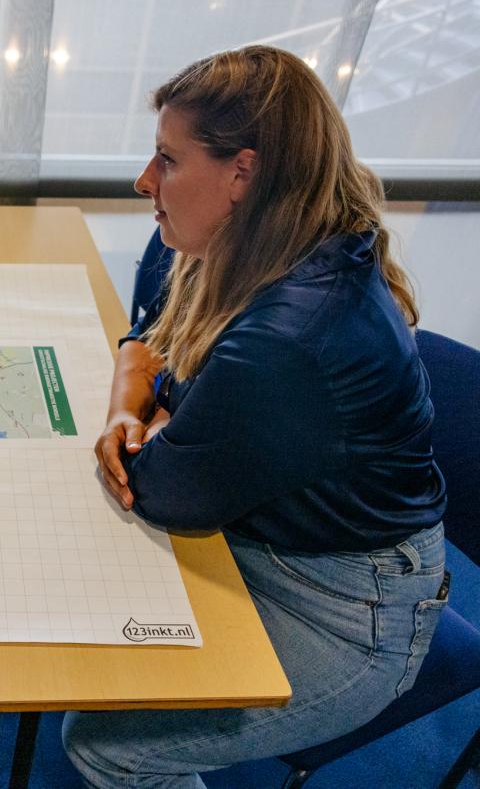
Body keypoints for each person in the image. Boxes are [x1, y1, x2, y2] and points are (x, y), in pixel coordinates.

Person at [64, 46, 448, 787]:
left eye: (167, 162)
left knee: (107, 745)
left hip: (350, 614)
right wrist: (132, 403)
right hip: (278, 534)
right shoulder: (247, 241)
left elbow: (163, 491)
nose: (146, 182)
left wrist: (156, 412)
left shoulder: (292, 337)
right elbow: (147, 337)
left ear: (241, 173)